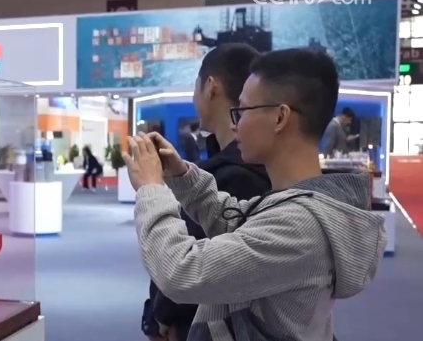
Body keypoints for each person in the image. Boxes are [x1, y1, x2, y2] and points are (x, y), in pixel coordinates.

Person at [124, 48, 385, 341]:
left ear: (280, 117)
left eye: (243, 111)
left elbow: (182, 272)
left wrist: (151, 189)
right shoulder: (299, 206)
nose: (234, 123)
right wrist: (182, 175)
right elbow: (238, 221)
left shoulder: (299, 225)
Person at [141, 44, 271, 341]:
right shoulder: (226, 170)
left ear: (211, 86)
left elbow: (191, 268)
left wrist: (162, 315)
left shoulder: (232, 176)